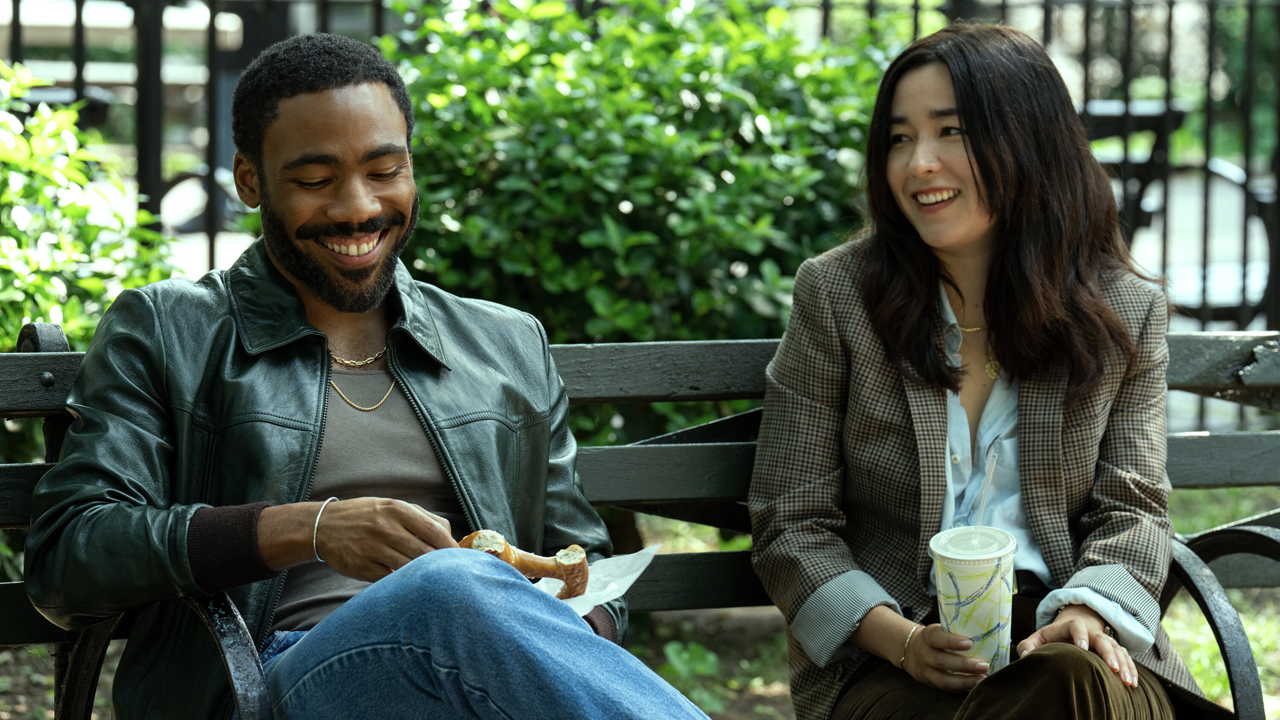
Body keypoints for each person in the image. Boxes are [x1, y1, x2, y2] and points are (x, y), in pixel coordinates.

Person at [24, 33, 709, 720]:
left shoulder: (504, 344)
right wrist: (309, 529)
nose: (358, 208)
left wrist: (548, 643)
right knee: (449, 589)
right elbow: (70, 555)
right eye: (316, 181)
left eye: (385, 170)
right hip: (267, 687)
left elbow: (583, 558)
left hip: (479, 679)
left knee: (459, 595)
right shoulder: (170, 328)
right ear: (249, 180)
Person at [748, 24, 1228, 720]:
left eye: (952, 132)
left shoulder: (1123, 309)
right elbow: (789, 520)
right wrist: (902, 640)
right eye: (900, 139)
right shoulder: (838, 295)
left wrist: (1089, 610)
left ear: (1028, 140)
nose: (920, 165)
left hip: (1065, 637)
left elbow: (1132, 507)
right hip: (895, 651)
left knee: (1067, 684)